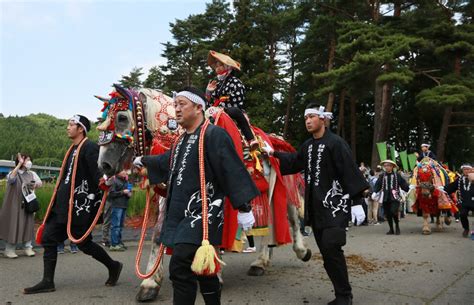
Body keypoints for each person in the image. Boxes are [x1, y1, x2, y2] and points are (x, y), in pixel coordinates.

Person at [133, 87, 259, 305]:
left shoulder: (214, 135)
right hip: (180, 212)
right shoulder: (181, 140)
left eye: (182, 104)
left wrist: (244, 208)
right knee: (203, 271)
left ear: (199, 107)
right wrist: (145, 161)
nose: (177, 109)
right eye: (175, 105)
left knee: (180, 266)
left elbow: (232, 169)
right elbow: (166, 161)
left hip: (203, 214)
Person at [263, 103, 369, 305]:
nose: (308, 121)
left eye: (312, 116)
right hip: (316, 209)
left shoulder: (336, 144)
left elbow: (349, 170)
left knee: (332, 247)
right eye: (306, 118)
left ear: (323, 118)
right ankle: (341, 294)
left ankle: (344, 296)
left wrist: (357, 201)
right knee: (328, 254)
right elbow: (294, 161)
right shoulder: (308, 146)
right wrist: (273, 154)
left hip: (335, 207)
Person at [24, 114, 123, 294]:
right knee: (48, 237)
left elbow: (97, 174)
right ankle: (47, 281)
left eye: (71, 124)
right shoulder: (72, 150)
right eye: (68, 124)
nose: (68, 127)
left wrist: (105, 180)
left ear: (81, 129)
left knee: (84, 243)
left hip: (78, 206)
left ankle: (113, 265)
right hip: (62, 204)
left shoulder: (89, 148)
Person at [206, 50, 259, 151]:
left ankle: (251, 139)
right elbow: (210, 103)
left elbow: (238, 101)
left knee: (234, 111)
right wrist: (208, 92)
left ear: (227, 67)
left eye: (220, 65)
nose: (217, 68)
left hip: (230, 110)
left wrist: (222, 108)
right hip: (216, 111)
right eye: (216, 66)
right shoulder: (217, 84)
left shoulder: (236, 82)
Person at [0, 153, 42, 258]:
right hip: (14, 204)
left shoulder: (32, 173)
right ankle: (9, 249)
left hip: (28, 204)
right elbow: (11, 180)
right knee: (14, 225)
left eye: (29, 159)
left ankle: (28, 247)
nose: (29, 162)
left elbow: (39, 183)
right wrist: (18, 165)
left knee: (28, 224)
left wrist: (35, 185)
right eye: (26, 160)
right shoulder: (13, 172)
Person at [373, 160, 409, 235]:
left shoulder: (397, 175)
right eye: (385, 165)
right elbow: (377, 185)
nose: (386, 167)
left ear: (392, 166)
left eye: (388, 165)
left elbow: (403, 184)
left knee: (393, 211)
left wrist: (408, 188)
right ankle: (391, 229)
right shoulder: (382, 176)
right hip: (385, 197)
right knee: (388, 214)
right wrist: (374, 192)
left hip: (395, 197)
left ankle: (397, 226)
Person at [445, 164, 474, 238]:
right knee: (463, 214)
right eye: (464, 169)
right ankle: (466, 229)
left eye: (468, 169)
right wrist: (441, 189)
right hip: (464, 202)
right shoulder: (460, 180)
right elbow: (450, 187)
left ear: (471, 170)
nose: (466, 171)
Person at [108, 170, 131, 251]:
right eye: (123, 171)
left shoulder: (125, 181)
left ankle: (119, 242)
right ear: (118, 173)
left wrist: (128, 194)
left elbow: (127, 192)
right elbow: (111, 194)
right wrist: (123, 192)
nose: (125, 172)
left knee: (120, 226)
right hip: (117, 206)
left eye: (125, 171)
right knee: (115, 225)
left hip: (123, 205)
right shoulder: (114, 181)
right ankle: (114, 244)